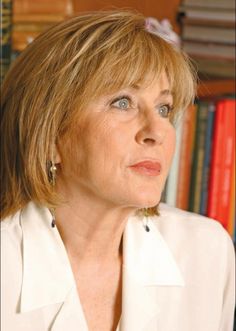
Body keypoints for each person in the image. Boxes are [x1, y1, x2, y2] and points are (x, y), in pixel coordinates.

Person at [1, 10, 235, 331]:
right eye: (123, 102)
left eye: (163, 108)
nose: (157, 131)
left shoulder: (206, 250)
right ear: (51, 134)